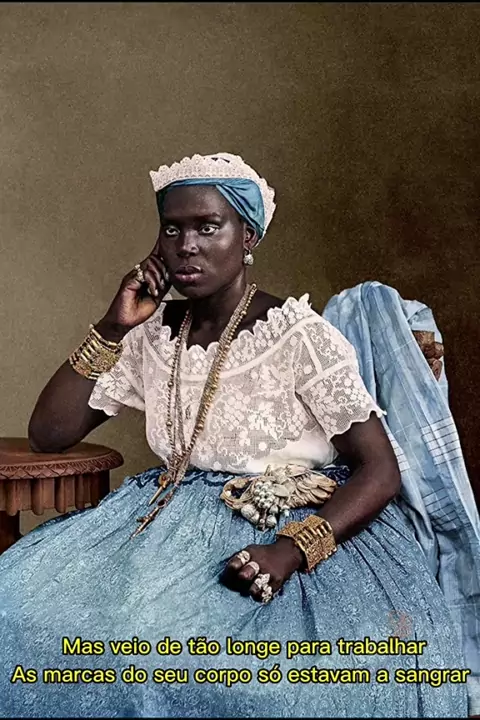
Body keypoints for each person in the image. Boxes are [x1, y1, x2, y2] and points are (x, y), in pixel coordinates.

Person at [0, 152, 469, 718]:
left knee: (228, 676)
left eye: (207, 227)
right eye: (172, 229)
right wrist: (113, 325)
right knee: (18, 610)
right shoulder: (153, 333)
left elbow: (381, 470)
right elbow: (49, 433)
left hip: (284, 523)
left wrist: (290, 551)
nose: (186, 246)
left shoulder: (297, 335)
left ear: (247, 236)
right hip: (164, 520)